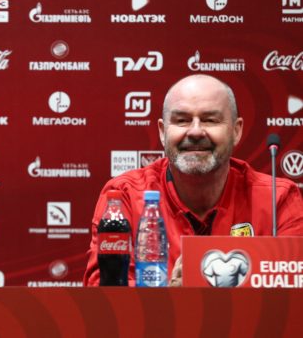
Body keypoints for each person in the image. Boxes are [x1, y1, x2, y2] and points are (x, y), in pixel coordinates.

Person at [83, 74, 303, 287]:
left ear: (236, 131)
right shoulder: (125, 195)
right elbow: (102, 291)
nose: (196, 131)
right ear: (162, 132)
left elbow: (295, 294)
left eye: (210, 120)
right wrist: (171, 298)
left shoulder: (278, 198)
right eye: (182, 120)